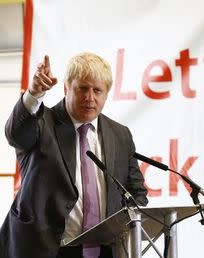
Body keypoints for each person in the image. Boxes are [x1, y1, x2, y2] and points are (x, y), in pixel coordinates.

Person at [0, 53, 148, 258]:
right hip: (44, 250)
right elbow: (16, 134)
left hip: (106, 251)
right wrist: (33, 95)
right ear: (66, 88)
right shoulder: (42, 123)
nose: (90, 97)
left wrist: (123, 227)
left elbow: (136, 192)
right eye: (82, 88)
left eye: (97, 90)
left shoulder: (120, 134)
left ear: (106, 94)